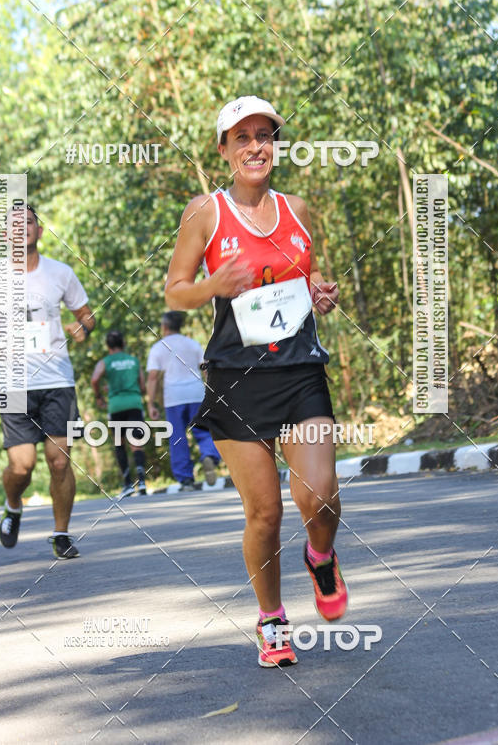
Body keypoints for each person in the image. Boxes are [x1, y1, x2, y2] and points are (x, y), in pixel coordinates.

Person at [164, 95, 346, 667]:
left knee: (319, 495)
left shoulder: (298, 209)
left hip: (298, 371)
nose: (255, 146)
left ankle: (320, 556)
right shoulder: (205, 213)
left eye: (264, 135)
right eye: (242, 137)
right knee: (264, 513)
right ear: (224, 149)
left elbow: (311, 276)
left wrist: (322, 292)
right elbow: (175, 290)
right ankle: (271, 619)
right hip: (236, 379)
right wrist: (214, 283)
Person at [0, 203, 95, 559]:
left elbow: (87, 316)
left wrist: (82, 326)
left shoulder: (61, 273)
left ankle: (61, 534)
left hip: (57, 379)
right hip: (13, 380)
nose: (21, 227)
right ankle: (13, 504)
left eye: (28, 221)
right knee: (21, 466)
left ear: (39, 231)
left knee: (59, 460)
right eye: (13, 224)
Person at [146, 311, 221, 491]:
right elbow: (206, 368)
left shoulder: (158, 347)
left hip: (174, 397)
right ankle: (209, 455)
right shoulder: (192, 344)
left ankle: (186, 479)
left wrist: (151, 403)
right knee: (203, 431)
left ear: (164, 327)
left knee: (178, 438)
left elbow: (153, 377)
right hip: (196, 393)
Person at [91, 330, 148, 497]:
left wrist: (99, 396)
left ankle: (128, 484)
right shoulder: (133, 361)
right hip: (134, 403)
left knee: (119, 443)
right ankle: (142, 482)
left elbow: (95, 379)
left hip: (116, 406)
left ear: (108, 346)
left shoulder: (105, 362)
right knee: (137, 443)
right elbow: (143, 387)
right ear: (123, 343)